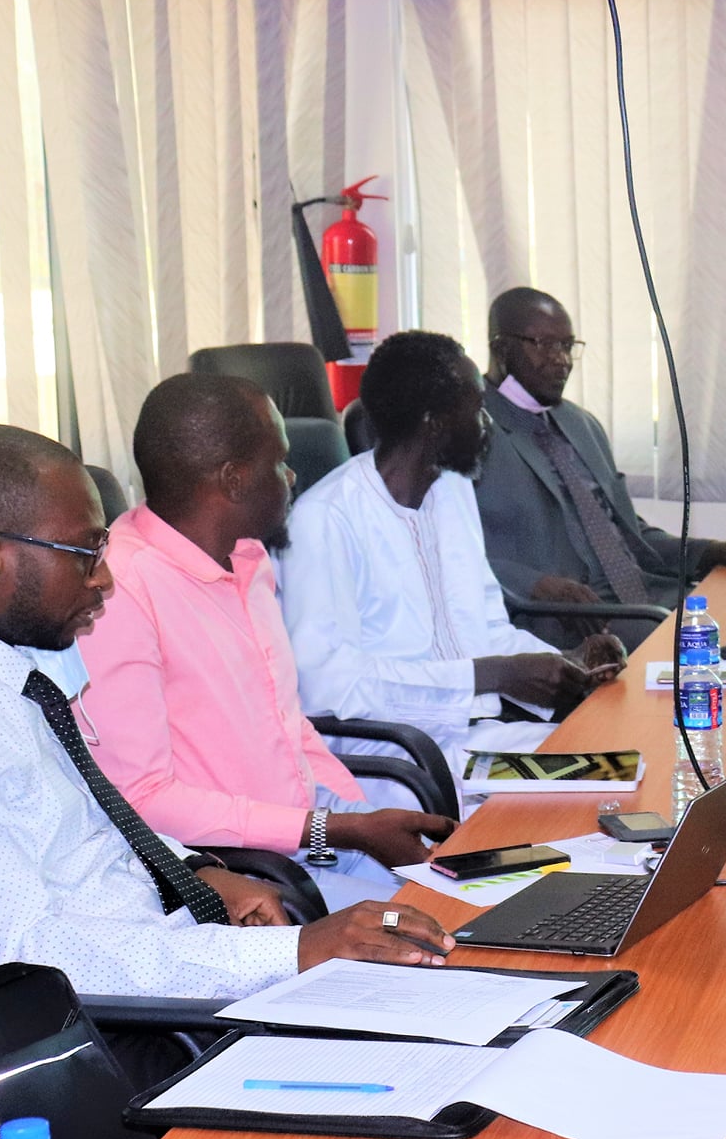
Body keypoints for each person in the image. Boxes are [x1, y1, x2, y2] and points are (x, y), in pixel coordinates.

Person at [0, 424, 454, 1004]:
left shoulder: (14, 668)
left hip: (184, 944)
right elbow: (23, 956)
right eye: (85, 553)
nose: (103, 578)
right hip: (135, 1019)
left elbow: (99, 823)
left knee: (461, 955)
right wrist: (289, 953)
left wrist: (195, 870)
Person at [78, 375, 455, 911]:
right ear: (233, 480)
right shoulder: (121, 590)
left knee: (488, 897)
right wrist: (336, 829)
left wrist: (358, 818)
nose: (292, 475)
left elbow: (287, 725)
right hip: (247, 882)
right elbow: (142, 800)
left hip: (313, 848)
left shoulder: (248, 559)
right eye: (279, 461)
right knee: (442, 931)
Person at [282, 330, 626, 784]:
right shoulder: (324, 519)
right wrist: (490, 676)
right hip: (393, 762)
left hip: (472, 742)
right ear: (434, 423)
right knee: (598, 778)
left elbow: (486, 631)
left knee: (622, 758)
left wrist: (568, 662)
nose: (487, 424)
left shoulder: (452, 490)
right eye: (477, 407)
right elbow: (328, 686)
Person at [476, 287, 726, 648]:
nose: (562, 360)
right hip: (568, 618)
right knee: (714, 644)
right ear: (501, 348)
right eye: (544, 344)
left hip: (646, 597)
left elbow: (628, 535)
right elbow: (453, 552)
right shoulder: (470, 429)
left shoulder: (581, 425)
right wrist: (536, 585)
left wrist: (711, 552)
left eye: (568, 345)